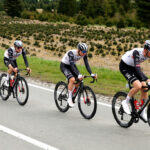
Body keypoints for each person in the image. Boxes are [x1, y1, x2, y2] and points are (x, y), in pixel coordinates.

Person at [120, 40, 150, 122]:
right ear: (146, 50)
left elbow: (137, 69)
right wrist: (147, 79)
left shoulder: (148, 54)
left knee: (145, 87)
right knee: (138, 85)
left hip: (133, 67)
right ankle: (125, 102)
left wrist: (147, 80)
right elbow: (137, 68)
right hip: (125, 67)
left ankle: (142, 112)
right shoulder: (137, 52)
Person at [60, 42, 97, 107]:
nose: (84, 53)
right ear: (79, 50)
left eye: (86, 52)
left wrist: (91, 73)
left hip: (72, 66)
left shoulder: (84, 54)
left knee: (80, 80)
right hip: (64, 66)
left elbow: (86, 64)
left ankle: (72, 91)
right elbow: (71, 65)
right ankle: (69, 99)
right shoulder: (71, 53)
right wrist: (78, 75)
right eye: (83, 52)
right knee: (72, 79)